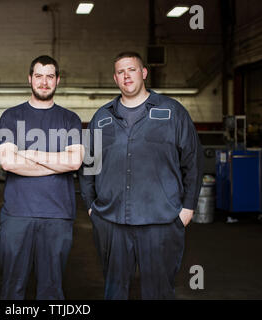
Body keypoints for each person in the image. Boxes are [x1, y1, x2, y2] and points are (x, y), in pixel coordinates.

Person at [79, 51, 203, 299]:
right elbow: (88, 164)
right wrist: (91, 206)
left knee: (158, 291)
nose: (127, 76)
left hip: (160, 220)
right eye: (121, 72)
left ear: (143, 72)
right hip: (112, 221)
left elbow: (193, 161)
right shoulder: (101, 117)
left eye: (132, 69)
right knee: (115, 290)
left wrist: (188, 208)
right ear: (115, 78)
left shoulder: (173, 112)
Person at [0, 55, 84, 299]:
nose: (44, 82)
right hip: (17, 215)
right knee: (12, 288)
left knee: (52, 290)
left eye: (50, 76)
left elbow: (74, 161)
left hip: (57, 216)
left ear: (57, 80)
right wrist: (57, 162)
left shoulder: (70, 119)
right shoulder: (11, 117)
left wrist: (31, 154)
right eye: (38, 76)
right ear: (30, 78)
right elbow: (8, 162)